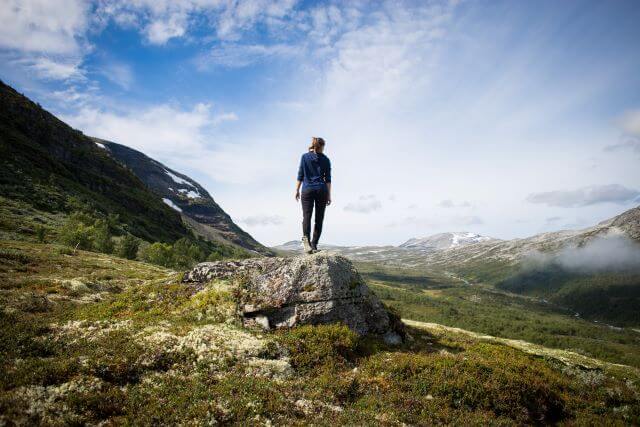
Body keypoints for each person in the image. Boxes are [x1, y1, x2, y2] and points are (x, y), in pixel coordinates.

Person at [295, 137, 332, 254]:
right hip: (321, 190)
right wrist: (329, 195)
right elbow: (328, 180)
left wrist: (296, 189)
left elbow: (300, 175)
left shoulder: (304, 157)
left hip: (307, 189)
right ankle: (314, 244)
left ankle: (306, 243)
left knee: (307, 216)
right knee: (319, 218)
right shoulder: (326, 160)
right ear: (321, 147)